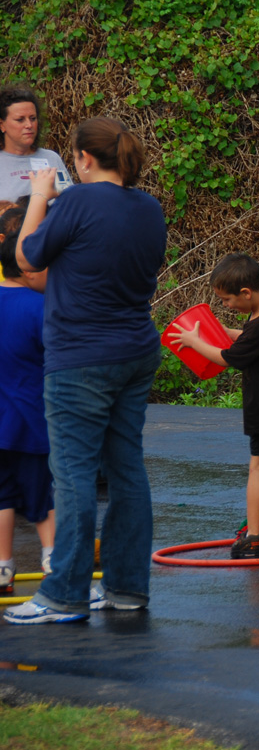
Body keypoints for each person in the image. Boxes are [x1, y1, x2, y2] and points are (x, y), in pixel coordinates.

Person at [5, 116, 166, 624]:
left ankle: (64, 595)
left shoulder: (73, 202)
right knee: (126, 471)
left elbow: (27, 255)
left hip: (80, 358)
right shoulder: (149, 208)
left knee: (72, 477)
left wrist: (39, 198)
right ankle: (125, 589)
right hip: (136, 350)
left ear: (83, 160)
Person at [168, 253, 259, 559]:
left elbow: (226, 358)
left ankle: (252, 538)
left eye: (227, 300)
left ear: (246, 293)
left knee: (258, 469)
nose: (227, 306)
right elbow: (246, 339)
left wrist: (195, 343)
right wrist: (216, 332)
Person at [0, 208, 55, 590]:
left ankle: (3, 566)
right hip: (34, 421)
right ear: (28, 266)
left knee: (2, 498)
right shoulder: (42, 308)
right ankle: (55, 561)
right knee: (42, 499)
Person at [0, 86, 71, 205]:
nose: (29, 125)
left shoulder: (51, 158)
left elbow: (69, 199)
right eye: (20, 120)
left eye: (33, 118)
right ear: (2, 125)